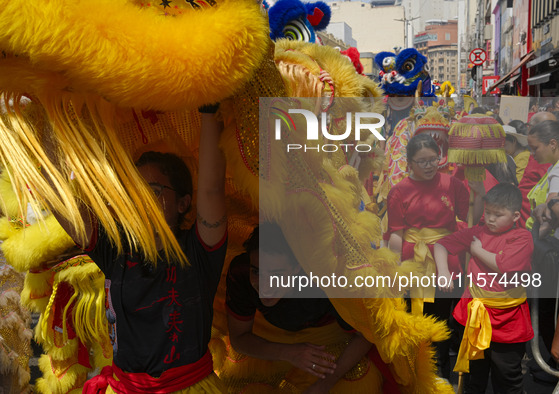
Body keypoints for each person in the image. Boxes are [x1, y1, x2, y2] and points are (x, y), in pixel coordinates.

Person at [48, 110, 229, 393]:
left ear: (183, 203)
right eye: (132, 190)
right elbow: (57, 195)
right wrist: (46, 108)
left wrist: (208, 110)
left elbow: (212, 189)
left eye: (152, 189)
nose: (139, 199)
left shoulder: (199, 250)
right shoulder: (115, 250)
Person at [223, 224, 395, 393]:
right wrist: (288, 353)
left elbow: (365, 336)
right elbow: (239, 338)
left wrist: (323, 386)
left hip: (332, 346)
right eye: (257, 272)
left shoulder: (326, 281)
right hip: (273, 341)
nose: (264, 285)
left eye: (276, 275)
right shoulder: (241, 273)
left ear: (298, 267)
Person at [386, 133, 482, 380]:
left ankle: (439, 371)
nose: (429, 166)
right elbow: (396, 234)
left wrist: (479, 195)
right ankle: (415, 370)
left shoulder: (453, 185)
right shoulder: (398, 191)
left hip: (446, 262)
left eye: (433, 159)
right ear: (409, 163)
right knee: (413, 317)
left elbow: (469, 217)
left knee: (441, 317)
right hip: (414, 261)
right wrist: (393, 270)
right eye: (422, 161)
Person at [435, 183, 534, 394]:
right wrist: (443, 272)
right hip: (475, 316)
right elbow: (441, 245)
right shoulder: (477, 232)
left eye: (498, 215)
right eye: (488, 212)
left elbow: (503, 264)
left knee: (507, 378)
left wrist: (475, 250)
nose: (490, 219)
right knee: (473, 377)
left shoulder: (523, 238)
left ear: (516, 216)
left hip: (507, 320)